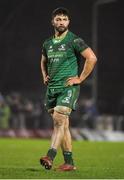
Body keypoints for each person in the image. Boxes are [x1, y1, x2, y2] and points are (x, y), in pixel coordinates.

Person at [40, 7, 97, 171]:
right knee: (62, 124)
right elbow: (43, 61)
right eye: (58, 19)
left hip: (67, 88)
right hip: (52, 88)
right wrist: (44, 75)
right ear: (53, 22)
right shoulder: (47, 43)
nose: (61, 22)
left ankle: (50, 156)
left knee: (59, 120)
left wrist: (80, 78)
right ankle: (69, 163)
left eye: (64, 19)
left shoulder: (75, 40)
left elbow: (92, 58)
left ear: (68, 22)